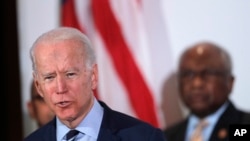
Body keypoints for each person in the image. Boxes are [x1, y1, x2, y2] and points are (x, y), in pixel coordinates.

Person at [24, 27, 166, 141]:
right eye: (49, 77)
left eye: (70, 74)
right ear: (38, 86)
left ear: (93, 76)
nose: (60, 88)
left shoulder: (145, 137)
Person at [164, 41, 250, 141]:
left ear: (230, 82)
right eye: (188, 74)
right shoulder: (165, 137)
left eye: (208, 74)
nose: (196, 84)